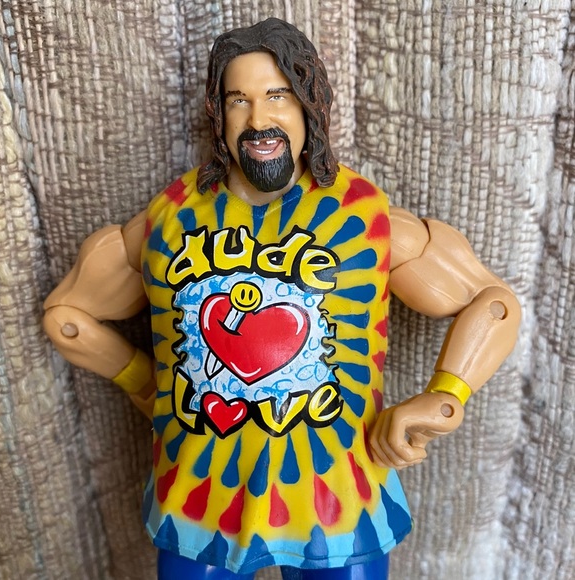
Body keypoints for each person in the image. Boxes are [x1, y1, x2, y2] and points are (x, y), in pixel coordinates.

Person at [43, 18, 521, 580]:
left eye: (277, 96)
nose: (258, 120)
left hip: (338, 499)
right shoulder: (168, 220)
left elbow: (491, 303)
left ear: (309, 105)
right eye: (238, 101)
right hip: (199, 498)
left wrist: (444, 397)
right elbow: (67, 316)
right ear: (218, 113)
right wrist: (145, 384)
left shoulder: (363, 218)